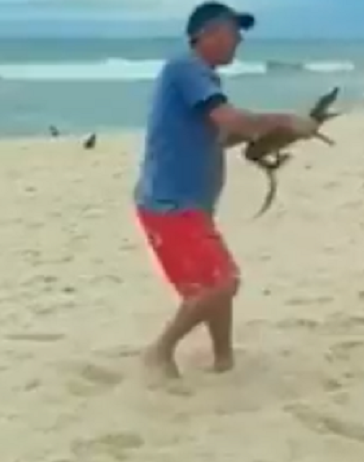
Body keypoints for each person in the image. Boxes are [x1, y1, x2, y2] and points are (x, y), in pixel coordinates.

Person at [134, 2, 319, 378]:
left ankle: (224, 358)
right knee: (222, 282)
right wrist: (284, 119)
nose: (239, 42)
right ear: (208, 34)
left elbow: (221, 136)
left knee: (212, 283)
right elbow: (232, 120)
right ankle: (159, 351)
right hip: (170, 204)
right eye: (234, 34)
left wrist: (275, 136)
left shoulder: (202, 80)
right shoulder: (187, 70)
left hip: (188, 204)